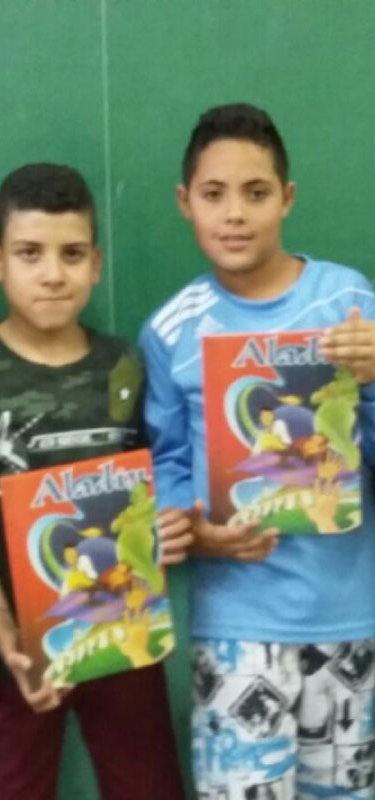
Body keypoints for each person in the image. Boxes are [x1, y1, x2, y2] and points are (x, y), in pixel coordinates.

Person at [0, 163, 190, 800]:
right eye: (29, 253)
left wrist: (171, 522)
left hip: (123, 630)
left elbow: (157, 483)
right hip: (14, 646)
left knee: (149, 785)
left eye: (71, 254)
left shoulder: (124, 364)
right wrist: (1, 631)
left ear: (96, 263)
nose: (52, 273)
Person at [140, 103, 375, 798]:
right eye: (214, 194)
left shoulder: (350, 302)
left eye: (256, 192)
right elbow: (166, 460)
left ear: (287, 198)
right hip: (236, 627)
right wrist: (194, 527)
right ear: (185, 202)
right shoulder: (170, 330)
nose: (235, 214)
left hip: (349, 617)